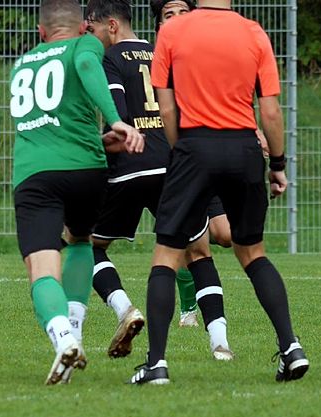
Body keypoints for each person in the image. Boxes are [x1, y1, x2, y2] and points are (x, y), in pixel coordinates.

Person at [129, 0, 310, 384]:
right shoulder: (254, 32)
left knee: (166, 255)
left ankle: (156, 364)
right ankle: (291, 347)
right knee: (252, 252)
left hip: (194, 146)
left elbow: (166, 108)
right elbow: (271, 112)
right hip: (244, 149)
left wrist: (181, 152)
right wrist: (277, 165)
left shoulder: (173, 31)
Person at [84, 0, 234, 362]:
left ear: (112, 26)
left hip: (131, 166)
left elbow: (119, 118)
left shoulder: (111, 58)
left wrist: (95, 145)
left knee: (86, 246)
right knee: (199, 254)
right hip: (174, 166)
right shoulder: (164, 53)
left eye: (93, 30)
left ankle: (124, 308)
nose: (91, 38)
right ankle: (220, 343)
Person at [10, 0, 144, 385]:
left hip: (36, 174)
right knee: (82, 240)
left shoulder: (22, 64)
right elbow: (86, 65)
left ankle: (64, 337)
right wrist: (116, 123)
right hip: (87, 169)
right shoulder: (85, 44)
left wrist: (114, 122)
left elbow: (50, 124)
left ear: (41, 31)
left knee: (41, 269)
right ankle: (76, 333)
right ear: (83, 27)